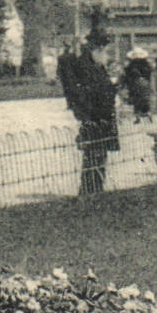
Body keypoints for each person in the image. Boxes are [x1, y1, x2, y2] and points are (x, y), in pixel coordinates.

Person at [59, 33, 119, 196]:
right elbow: (87, 91)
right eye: (106, 51)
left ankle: (95, 188)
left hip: (102, 116)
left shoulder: (96, 66)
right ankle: (90, 190)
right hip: (95, 117)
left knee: (99, 155)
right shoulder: (87, 67)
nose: (107, 55)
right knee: (94, 155)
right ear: (98, 50)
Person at [119, 47, 156, 120]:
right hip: (146, 85)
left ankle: (137, 114)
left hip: (135, 86)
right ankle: (148, 113)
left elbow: (126, 78)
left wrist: (124, 86)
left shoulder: (130, 66)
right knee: (145, 99)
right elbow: (150, 77)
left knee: (136, 99)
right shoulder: (147, 66)